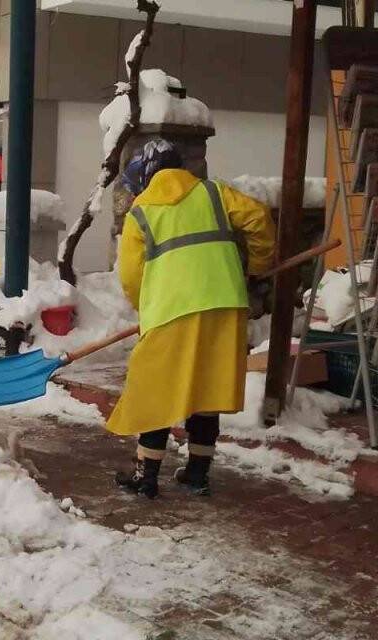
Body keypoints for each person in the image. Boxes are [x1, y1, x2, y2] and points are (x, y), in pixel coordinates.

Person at [110, 140, 277, 498]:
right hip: (224, 304)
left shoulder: (140, 212)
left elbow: (130, 275)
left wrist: (146, 305)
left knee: (153, 388)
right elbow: (259, 218)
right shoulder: (214, 193)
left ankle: (146, 476)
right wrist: (259, 267)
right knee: (207, 385)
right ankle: (197, 474)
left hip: (171, 311)